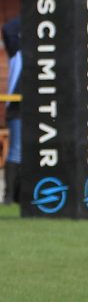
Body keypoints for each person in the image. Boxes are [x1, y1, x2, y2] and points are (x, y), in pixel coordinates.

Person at [3, 49, 21, 204]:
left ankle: (21, 195)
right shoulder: (17, 47)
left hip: (42, 107)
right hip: (17, 107)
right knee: (16, 151)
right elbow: (9, 30)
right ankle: (9, 196)